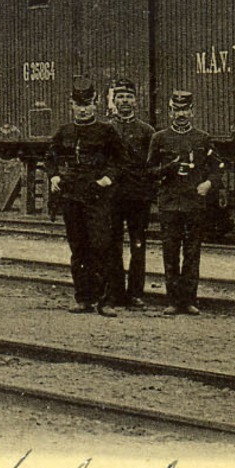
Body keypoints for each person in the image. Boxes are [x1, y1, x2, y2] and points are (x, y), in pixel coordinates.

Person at [47, 77, 131, 316]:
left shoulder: (107, 131)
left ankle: (106, 301)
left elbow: (121, 161)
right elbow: (50, 158)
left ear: (95, 105)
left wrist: (108, 178)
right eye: (78, 104)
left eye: (88, 104)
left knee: (101, 247)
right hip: (72, 197)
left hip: (98, 198)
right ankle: (83, 298)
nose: (83, 110)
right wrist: (53, 177)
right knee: (79, 248)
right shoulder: (64, 132)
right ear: (71, 105)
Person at [147, 89, 216, 315]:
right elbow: (149, 171)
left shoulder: (202, 138)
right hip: (169, 204)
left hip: (194, 203)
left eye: (185, 109)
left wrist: (208, 184)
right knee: (170, 251)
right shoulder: (159, 138)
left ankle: (190, 300)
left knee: (192, 251)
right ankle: (173, 300)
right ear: (170, 112)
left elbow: (216, 168)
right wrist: (169, 167)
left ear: (192, 112)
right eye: (176, 110)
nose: (181, 114)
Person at [104, 79, 157, 311]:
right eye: (120, 97)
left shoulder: (147, 131)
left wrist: (148, 191)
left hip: (137, 196)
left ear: (136, 100)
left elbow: (152, 165)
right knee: (112, 244)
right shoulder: (106, 129)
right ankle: (115, 292)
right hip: (113, 195)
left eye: (129, 96)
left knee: (138, 244)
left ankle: (136, 293)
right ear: (113, 101)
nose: (124, 101)